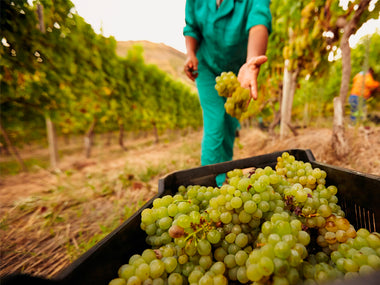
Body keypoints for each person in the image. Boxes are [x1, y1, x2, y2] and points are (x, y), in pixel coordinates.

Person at [183, 0, 272, 186]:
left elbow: (259, 22)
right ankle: (208, 184)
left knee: (230, 123)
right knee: (215, 120)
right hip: (205, 67)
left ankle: (222, 176)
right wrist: (191, 53)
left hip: (240, 71)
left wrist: (251, 62)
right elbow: (191, 28)